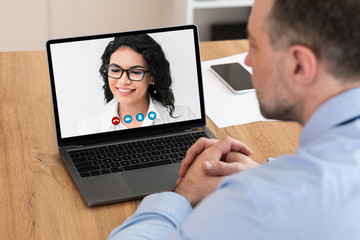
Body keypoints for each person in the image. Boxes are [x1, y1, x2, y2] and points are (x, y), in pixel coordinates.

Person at [108, 0, 360, 239]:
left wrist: (184, 194)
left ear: (299, 65)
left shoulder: (251, 208)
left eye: (254, 46)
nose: (247, 60)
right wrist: (267, 174)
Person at [78, 34, 195, 135]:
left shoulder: (184, 117)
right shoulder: (89, 129)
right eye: (115, 70)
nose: (123, 80)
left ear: (152, 77)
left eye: (135, 72)